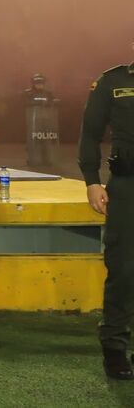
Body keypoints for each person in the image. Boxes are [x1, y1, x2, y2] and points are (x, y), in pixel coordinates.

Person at [80, 56, 134, 380]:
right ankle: (115, 348)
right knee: (124, 268)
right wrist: (91, 180)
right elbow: (90, 133)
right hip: (127, 187)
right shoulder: (112, 82)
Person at [24, 73, 59, 169]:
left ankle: (46, 160)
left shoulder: (48, 93)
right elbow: (25, 103)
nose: (39, 85)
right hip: (33, 121)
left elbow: (53, 102)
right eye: (37, 83)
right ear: (33, 83)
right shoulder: (28, 93)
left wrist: (53, 103)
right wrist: (37, 103)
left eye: (41, 83)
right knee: (33, 142)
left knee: (46, 141)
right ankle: (32, 160)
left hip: (47, 121)